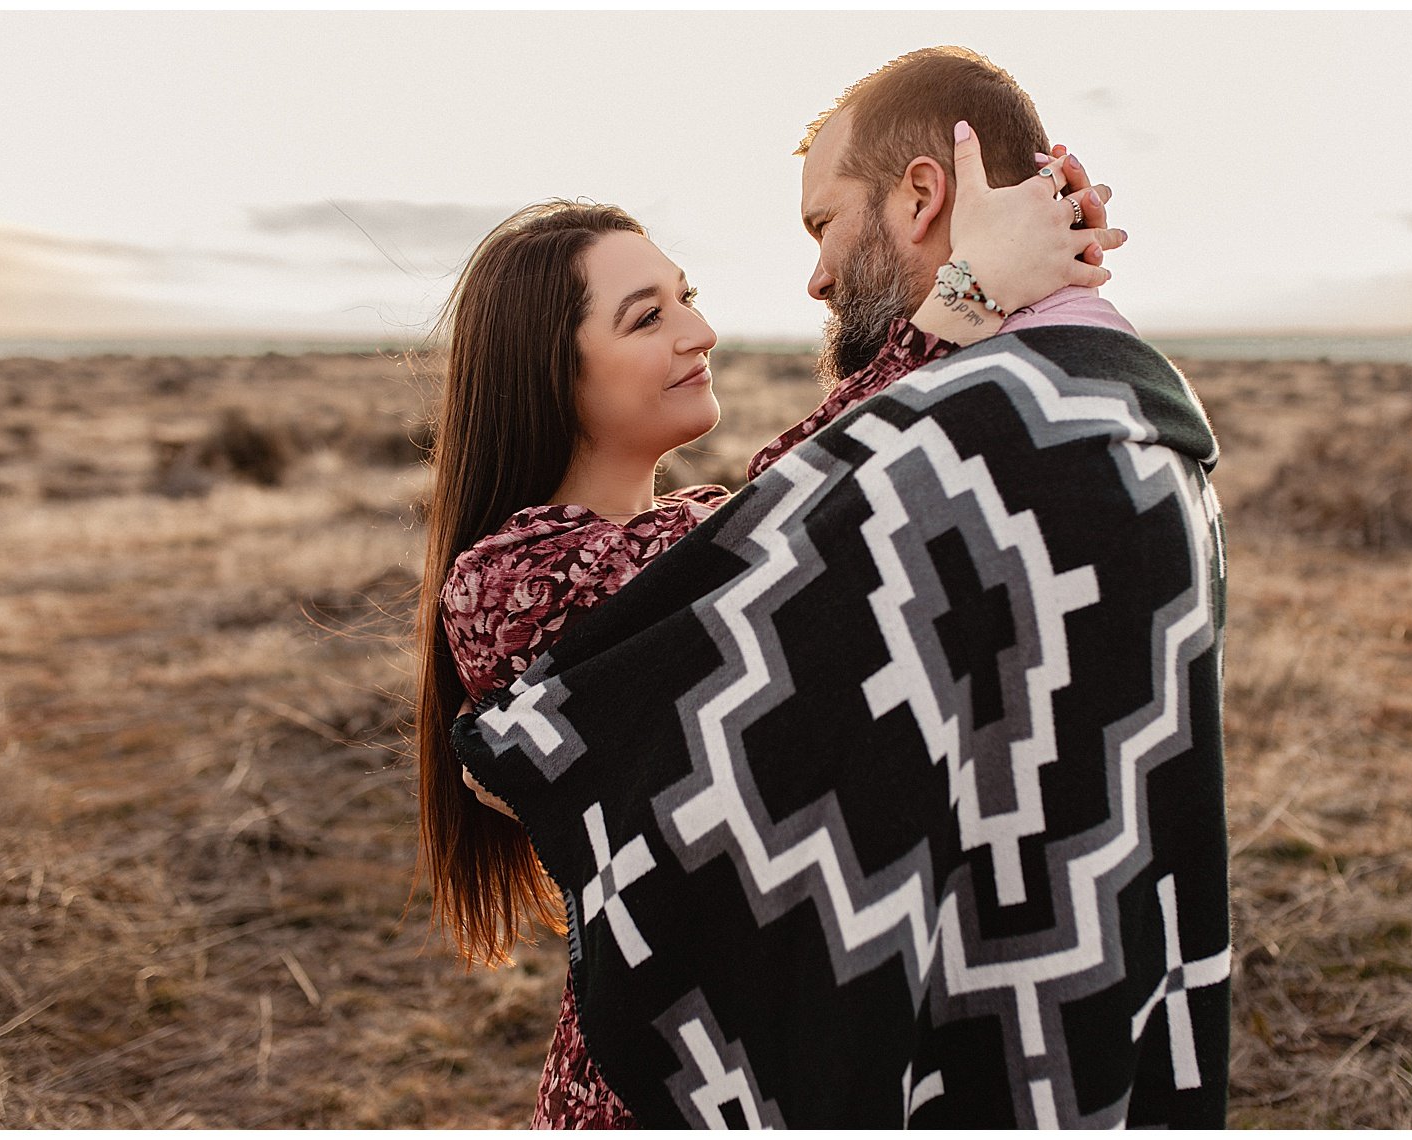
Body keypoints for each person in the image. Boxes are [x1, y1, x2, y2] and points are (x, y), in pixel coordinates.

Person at [454, 45, 1230, 1129]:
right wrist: (974, 290)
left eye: (686, 297)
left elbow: (823, 499)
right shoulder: (506, 580)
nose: (702, 330)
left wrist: (1024, 281)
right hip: (661, 1082)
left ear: (919, 196)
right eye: (645, 317)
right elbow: (813, 510)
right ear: (550, 369)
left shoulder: (708, 519)